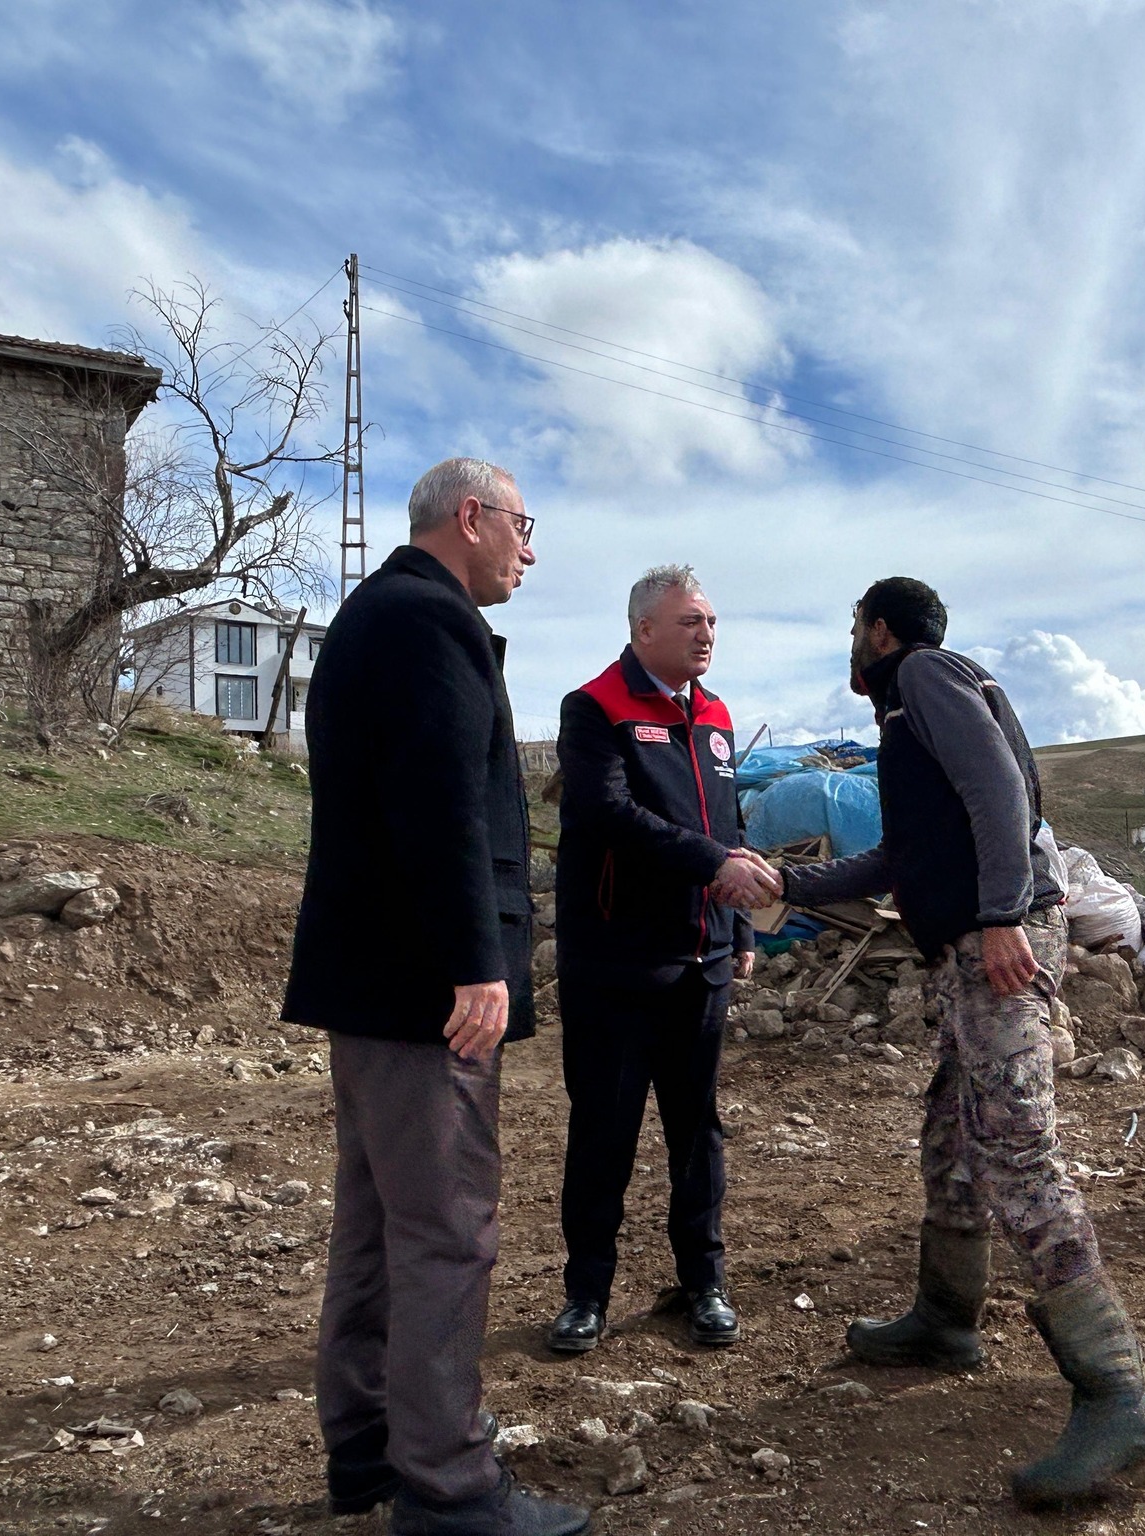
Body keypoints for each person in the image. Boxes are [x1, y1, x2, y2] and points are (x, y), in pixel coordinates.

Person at [779, 577, 1145, 1508]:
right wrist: (789, 885)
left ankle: (1120, 1391)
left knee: (1014, 1147)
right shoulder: (909, 714)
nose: (851, 643)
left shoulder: (923, 675)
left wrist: (1002, 913)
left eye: (854, 628)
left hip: (993, 938)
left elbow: (1003, 791)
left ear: (879, 632)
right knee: (952, 1132)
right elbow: (902, 856)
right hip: (969, 942)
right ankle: (945, 1317)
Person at [283, 459, 589, 1536]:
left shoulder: (375, 613)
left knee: (378, 1223)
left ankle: (367, 1448)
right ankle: (448, 1486)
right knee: (448, 1229)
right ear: (471, 518)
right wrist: (478, 964)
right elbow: (441, 803)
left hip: (372, 983)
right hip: (425, 990)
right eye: (521, 525)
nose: (529, 549)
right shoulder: (429, 622)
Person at [545, 564, 778, 1356]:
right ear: (645, 629)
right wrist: (713, 862)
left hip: (701, 960)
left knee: (696, 1130)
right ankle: (587, 1293)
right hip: (615, 963)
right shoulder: (595, 709)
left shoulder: (714, 717)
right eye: (690, 623)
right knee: (604, 1130)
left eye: (711, 622)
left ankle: (702, 1282)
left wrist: (739, 929)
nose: (706, 635)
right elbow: (608, 815)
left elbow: (731, 819)